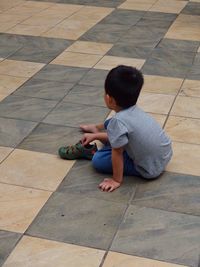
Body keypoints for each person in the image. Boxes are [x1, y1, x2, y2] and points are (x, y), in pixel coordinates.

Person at [59, 65, 173, 192]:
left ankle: (90, 151)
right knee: (113, 125)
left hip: (148, 169)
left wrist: (116, 180)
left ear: (110, 99)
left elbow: (117, 153)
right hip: (164, 156)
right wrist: (96, 135)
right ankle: (95, 128)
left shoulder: (118, 121)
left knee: (98, 160)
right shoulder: (135, 110)